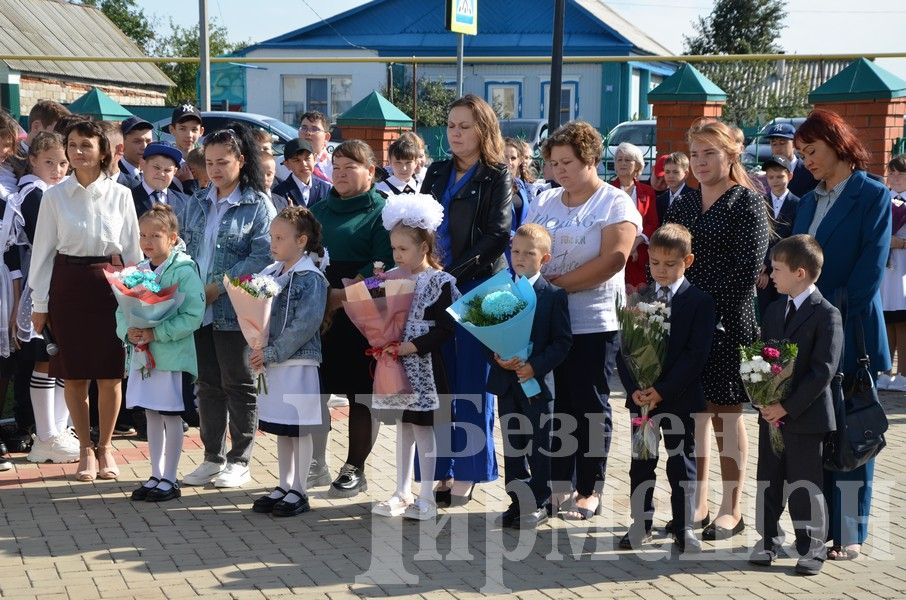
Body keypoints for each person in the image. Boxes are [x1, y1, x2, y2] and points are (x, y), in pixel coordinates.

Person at [526, 121, 641, 520]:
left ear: (590, 159)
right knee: (556, 407)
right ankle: (558, 485)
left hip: (595, 320)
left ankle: (589, 489)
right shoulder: (545, 201)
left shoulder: (615, 202)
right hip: (549, 323)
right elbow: (529, 247)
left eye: (568, 162)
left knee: (589, 405)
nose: (560, 171)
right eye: (554, 163)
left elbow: (614, 259)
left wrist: (554, 285)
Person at [791, 108, 892, 561]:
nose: (806, 161)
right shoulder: (808, 200)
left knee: (850, 428)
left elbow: (869, 274)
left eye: (811, 151)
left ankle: (850, 531)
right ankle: (819, 525)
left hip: (849, 327)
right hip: (805, 329)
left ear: (837, 144)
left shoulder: (872, 195)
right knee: (816, 428)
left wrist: (820, 310)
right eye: (801, 153)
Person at [665, 119, 770, 540]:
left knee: (726, 415)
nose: (701, 162)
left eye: (710, 153)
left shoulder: (748, 203)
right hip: (686, 324)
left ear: (731, 156)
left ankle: (732, 508)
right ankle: (697, 504)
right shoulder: (684, 204)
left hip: (729, 324)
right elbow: (668, 257)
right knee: (694, 417)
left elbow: (745, 272)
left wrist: (696, 303)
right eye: (695, 154)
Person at [29, 120, 142, 481]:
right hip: (68, 287)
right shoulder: (54, 196)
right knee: (74, 375)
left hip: (109, 288)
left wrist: (139, 302)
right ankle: (84, 452)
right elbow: (42, 254)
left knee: (110, 375)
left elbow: (133, 253)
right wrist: (40, 305)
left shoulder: (121, 194)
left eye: (86, 145)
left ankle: (106, 447)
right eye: (73, 145)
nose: (78, 152)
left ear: (102, 150)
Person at [420, 94, 513, 505]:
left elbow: (499, 235)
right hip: (435, 288)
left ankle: (471, 470)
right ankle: (441, 467)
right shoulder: (436, 171)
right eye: (451, 125)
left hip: (481, 290)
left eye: (464, 126)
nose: (455, 133)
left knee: (473, 383)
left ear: (483, 130)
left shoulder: (497, 175)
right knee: (441, 382)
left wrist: (451, 275)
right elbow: (419, 223)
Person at [179, 124, 276, 489]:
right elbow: (185, 249)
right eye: (209, 162)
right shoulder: (197, 201)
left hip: (235, 310)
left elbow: (262, 256)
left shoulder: (258, 204)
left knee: (239, 384)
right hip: (198, 309)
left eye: (223, 161)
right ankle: (211, 457)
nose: (215, 170)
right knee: (207, 385)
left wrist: (219, 287)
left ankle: (240, 460)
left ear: (241, 160)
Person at [617, 223, 715, 553]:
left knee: (681, 463)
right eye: (655, 262)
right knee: (642, 462)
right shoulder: (639, 297)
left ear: (688, 261)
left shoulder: (699, 301)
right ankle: (640, 523)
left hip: (679, 399)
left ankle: (683, 526)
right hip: (642, 402)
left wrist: (662, 390)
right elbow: (624, 350)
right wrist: (634, 388)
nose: (661, 270)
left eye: (670, 264)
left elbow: (695, 354)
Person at [749, 234, 842, 575]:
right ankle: (768, 539)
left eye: (776, 269)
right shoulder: (774, 309)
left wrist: (787, 407)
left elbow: (823, 372)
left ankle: (812, 545)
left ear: (799, 273)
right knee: (769, 479)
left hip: (806, 416)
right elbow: (761, 357)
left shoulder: (826, 314)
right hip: (771, 414)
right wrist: (762, 398)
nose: (770, 275)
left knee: (805, 482)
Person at [312, 140, 394, 497]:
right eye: (337, 166)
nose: (341, 173)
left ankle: (354, 467)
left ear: (371, 172)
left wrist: (340, 298)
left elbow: (385, 274)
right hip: (317, 313)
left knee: (360, 393)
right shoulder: (316, 210)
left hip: (362, 316)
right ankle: (315, 461)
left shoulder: (384, 214)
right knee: (313, 389)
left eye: (351, 167)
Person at [371, 194, 457, 521]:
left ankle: (426, 496)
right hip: (397, 366)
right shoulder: (393, 277)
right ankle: (401, 490)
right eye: (394, 248)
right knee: (403, 429)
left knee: (423, 430)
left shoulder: (440, 281)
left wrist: (415, 345)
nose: (397, 255)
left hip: (427, 369)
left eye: (403, 249)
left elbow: (448, 329)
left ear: (424, 247)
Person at [489, 223, 571, 529]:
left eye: (529, 253)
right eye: (515, 251)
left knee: (539, 443)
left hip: (536, 385)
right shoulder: (501, 292)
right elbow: (489, 334)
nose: (520, 258)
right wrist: (497, 357)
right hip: (508, 383)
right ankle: (517, 501)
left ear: (545, 258)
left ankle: (539, 502)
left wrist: (534, 366)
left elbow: (562, 342)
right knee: (513, 444)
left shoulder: (553, 295)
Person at [122, 205, 204, 502]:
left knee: (171, 416)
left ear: (172, 238)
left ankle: (170, 477)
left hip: (171, 357)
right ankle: (154, 474)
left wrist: (157, 332)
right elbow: (123, 310)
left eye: (155, 235)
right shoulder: (137, 271)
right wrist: (128, 332)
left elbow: (192, 315)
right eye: (143, 235)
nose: (147, 242)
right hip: (144, 357)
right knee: (151, 414)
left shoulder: (183, 269)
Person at [250, 207, 329, 517]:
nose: (274, 243)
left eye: (280, 238)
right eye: (272, 236)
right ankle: (284, 484)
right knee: (283, 427)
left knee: (300, 428)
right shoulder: (271, 273)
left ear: (302, 240)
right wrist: (255, 345)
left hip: (298, 363)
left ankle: (300, 489)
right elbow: (254, 315)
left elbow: (305, 324)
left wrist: (272, 351)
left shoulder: (311, 277)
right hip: (273, 362)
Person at [13, 132, 77, 464]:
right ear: (33, 160)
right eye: (49, 162)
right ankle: (46, 435)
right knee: (45, 357)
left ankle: (60, 430)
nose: (57, 168)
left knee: (62, 359)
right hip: (43, 287)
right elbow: (51, 240)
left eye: (63, 163)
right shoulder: (34, 194)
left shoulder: (56, 192)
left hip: (62, 285)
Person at [756, 155, 800, 319]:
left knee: (786, 312)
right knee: (766, 314)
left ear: (789, 176)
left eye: (780, 176)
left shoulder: (798, 204)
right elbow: (757, 237)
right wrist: (761, 266)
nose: (775, 181)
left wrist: (770, 264)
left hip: (787, 267)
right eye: (770, 177)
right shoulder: (761, 202)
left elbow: (794, 239)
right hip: (763, 273)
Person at [610, 142, 658, 292]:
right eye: (619, 159)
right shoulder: (607, 190)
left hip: (640, 257)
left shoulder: (647, 191)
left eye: (628, 160)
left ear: (637, 165)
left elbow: (652, 223)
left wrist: (634, 244)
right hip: (614, 255)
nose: (623, 163)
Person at [879, 155, 906, 391]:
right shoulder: (883, 199)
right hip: (885, 271)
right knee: (885, 320)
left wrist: (902, 244)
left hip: (904, 269)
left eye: (901, 173)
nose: (895, 177)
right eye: (892, 173)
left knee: (902, 322)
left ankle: (903, 373)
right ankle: (885, 371)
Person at [132, 143, 189, 219]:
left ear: (174, 172)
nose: (162, 174)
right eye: (156, 167)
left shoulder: (185, 202)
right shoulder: (128, 198)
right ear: (143, 165)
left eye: (167, 170)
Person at [761, 123, 818, 198]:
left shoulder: (809, 171)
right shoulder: (769, 174)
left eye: (782, 143)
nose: (778, 148)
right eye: (774, 144)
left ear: (794, 144)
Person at [273, 139, 330, 209]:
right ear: (287, 164)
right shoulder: (279, 192)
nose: (304, 164)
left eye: (307, 158)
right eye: (297, 160)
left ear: (314, 159)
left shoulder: (325, 188)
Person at [168, 104, 204, 196]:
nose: (189, 135)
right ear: (172, 129)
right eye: (182, 128)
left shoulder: (207, 161)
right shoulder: (166, 162)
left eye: (194, 129)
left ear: (201, 132)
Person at [655, 152, 690, 226]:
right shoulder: (660, 200)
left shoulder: (694, 197)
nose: (671, 176)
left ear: (686, 174)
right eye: (667, 172)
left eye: (675, 172)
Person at [118, 116, 153, 189]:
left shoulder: (157, 174)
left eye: (148, 141)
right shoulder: (114, 176)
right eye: (137, 141)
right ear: (122, 142)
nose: (144, 146)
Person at [298, 111, 333, 183]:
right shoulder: (284, 163)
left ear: (326, 137)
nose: (308, 133)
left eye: (314, 129)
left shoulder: (335, 164)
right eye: (304, 128)